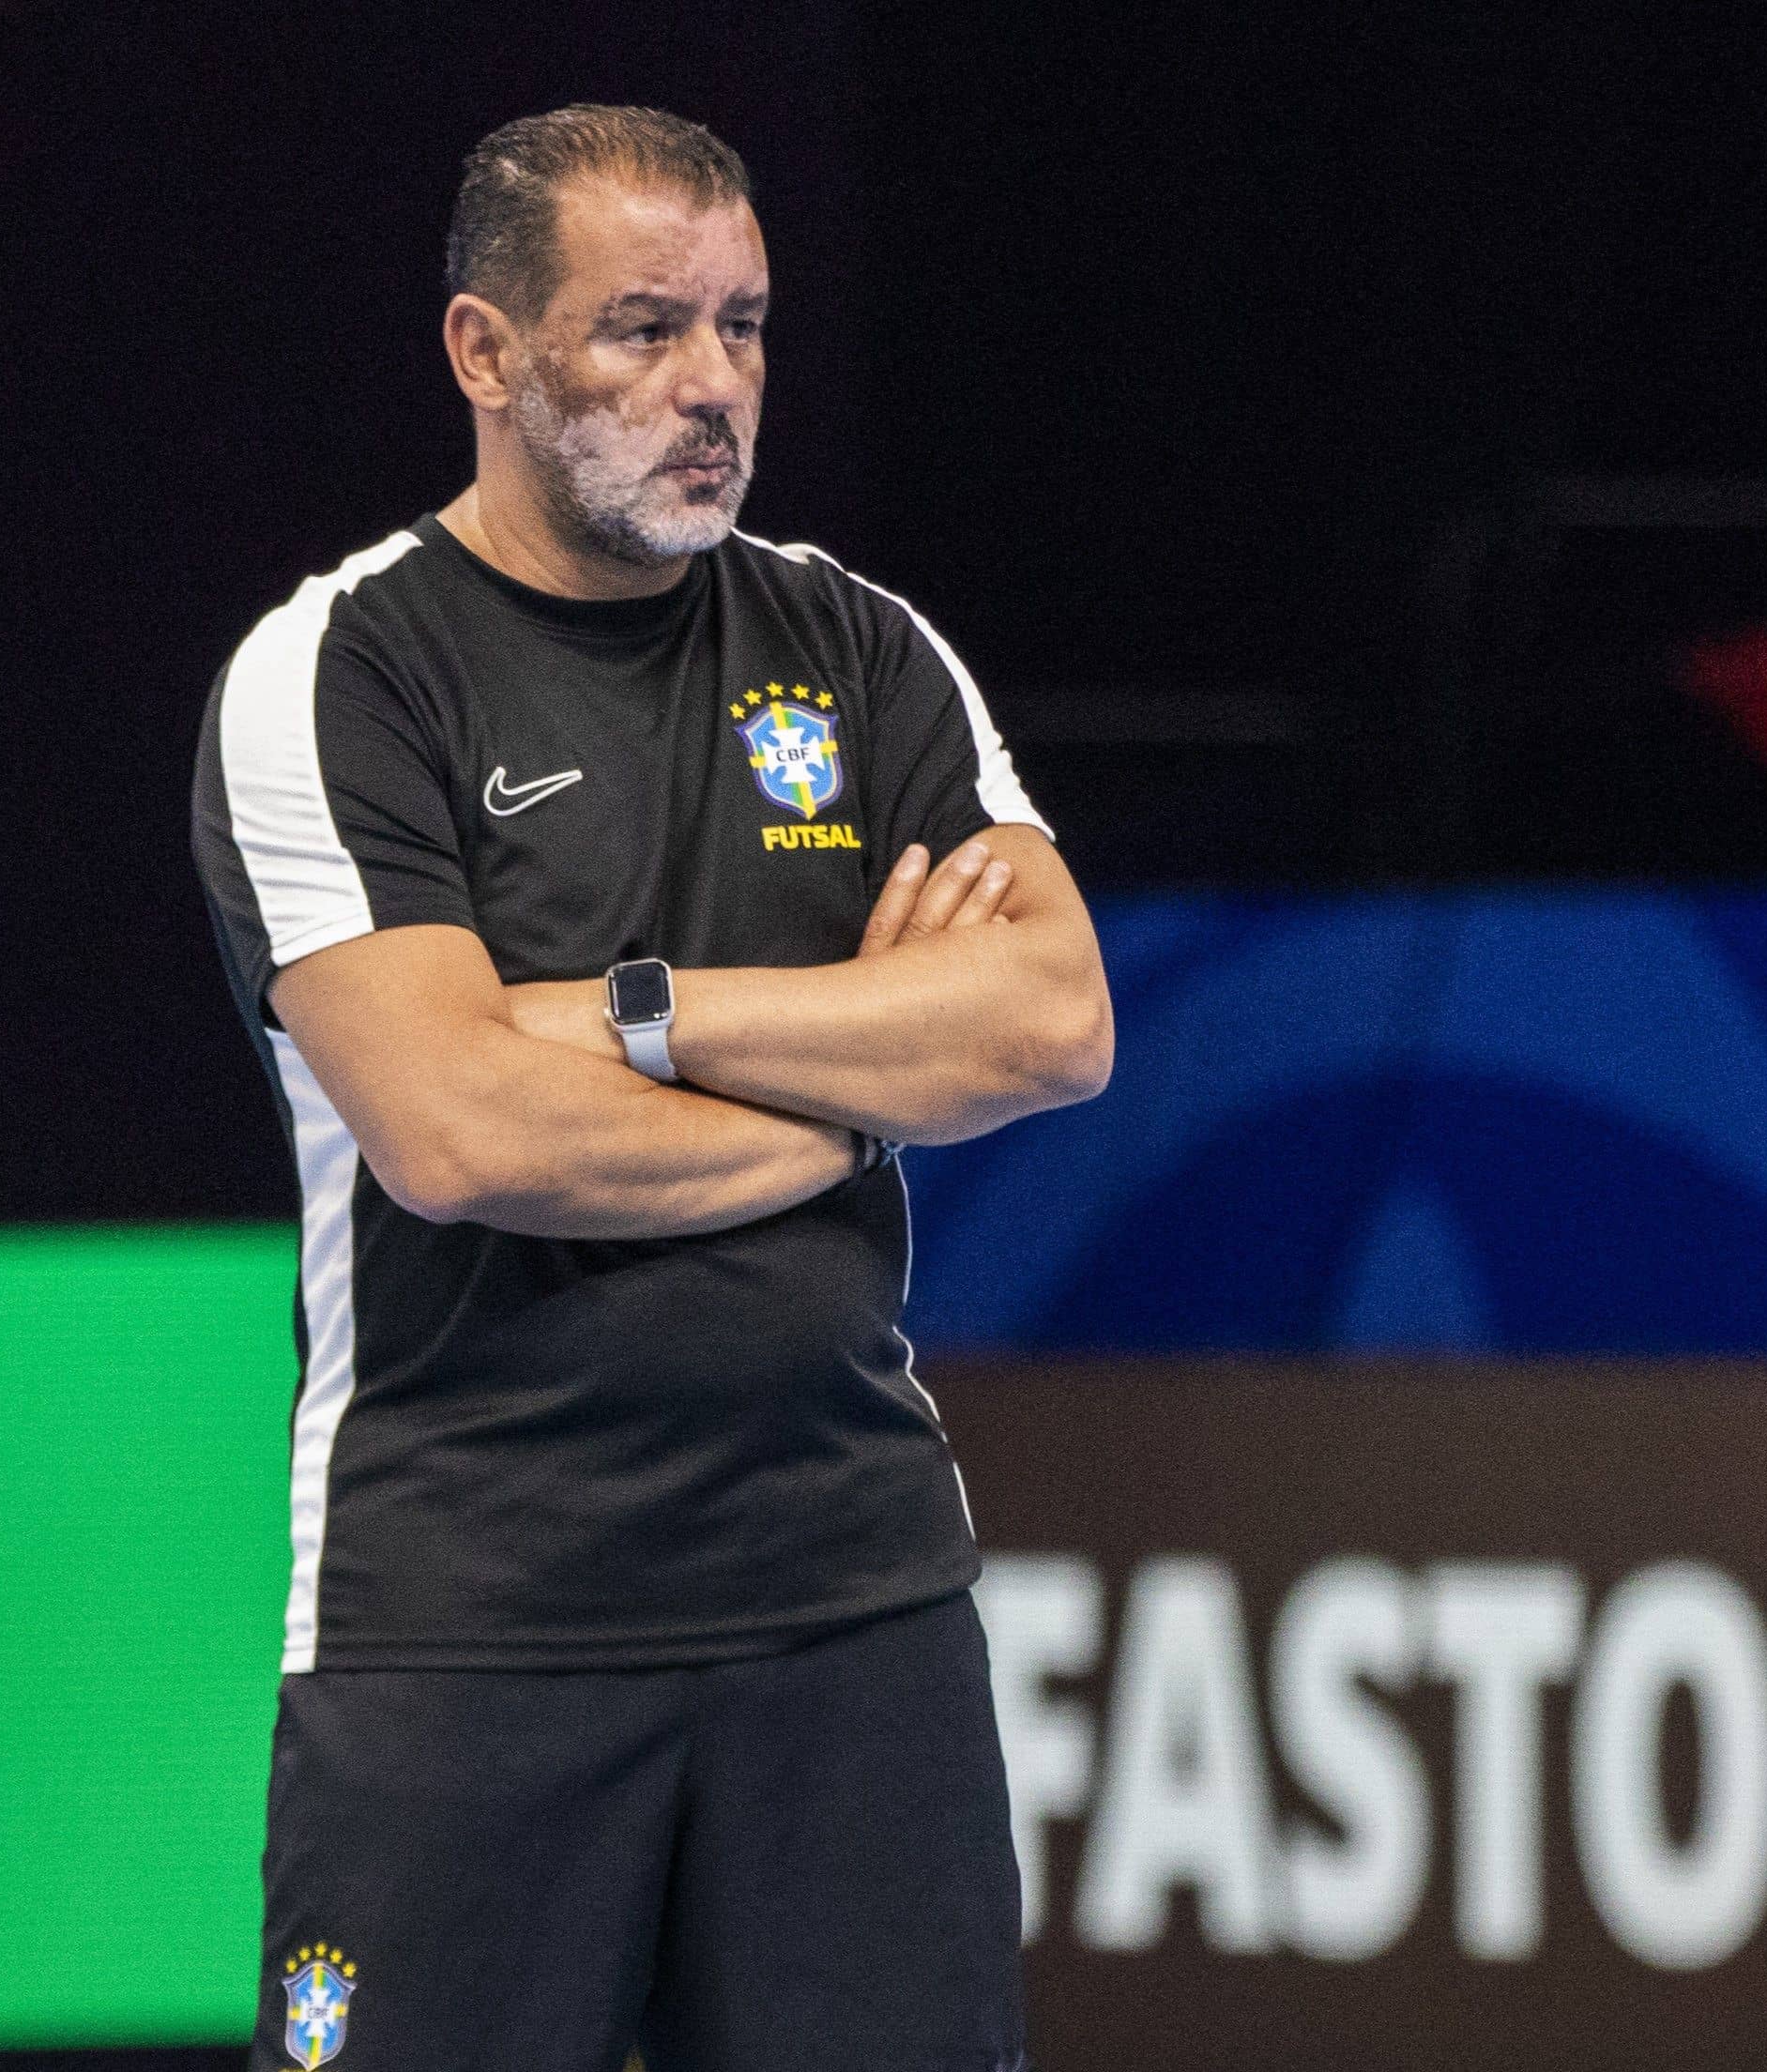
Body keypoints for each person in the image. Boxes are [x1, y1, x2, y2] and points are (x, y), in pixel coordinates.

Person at [190, 104, 1111, 2071]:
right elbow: (454, 1134)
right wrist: (867, 1082)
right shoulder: (340, 674)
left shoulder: (862, 650)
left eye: (745, 327)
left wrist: (632, 1012)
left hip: (850, 1607)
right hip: (471, 1619)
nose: (712, 388)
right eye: (640, 333)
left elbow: (1048, 1022)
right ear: (483, 354)